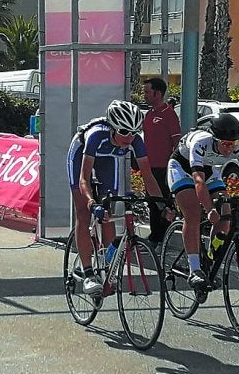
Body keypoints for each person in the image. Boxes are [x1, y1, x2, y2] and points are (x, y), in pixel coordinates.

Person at [167, 113, 239, 293]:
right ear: (214, 139)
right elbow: (199, 181)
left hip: (209, 170)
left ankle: (210, 258)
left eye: (233, 144)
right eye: (225, 144)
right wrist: (210, 209)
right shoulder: (200, 143)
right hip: (182, 168)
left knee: (225, 214)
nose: (229, 148)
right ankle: (194, 269)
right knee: (193, 214)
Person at [67, 100, 169, 294]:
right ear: (113, 127)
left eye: (134, 132)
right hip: (82, 154)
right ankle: (88, 273)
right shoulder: (97, 136)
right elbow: (83, 179)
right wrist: (91, 203)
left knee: (108, 211)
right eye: (124, 131)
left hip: (108, 159)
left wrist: (163, 206)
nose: (129, 137)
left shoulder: (135, 141)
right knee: (83, 213)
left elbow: (148, 176)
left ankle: (107, 266)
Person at [143, 77, 181, 248]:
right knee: (152, 203)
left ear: (157, 94)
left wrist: (173, 168)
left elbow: (177, 143)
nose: (144, 95)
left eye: (147, 92)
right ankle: (155, 236)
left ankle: (160, 238)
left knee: (163, 204)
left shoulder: (169, 114)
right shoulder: (149, 114)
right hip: (149, 168)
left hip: (163, 168)